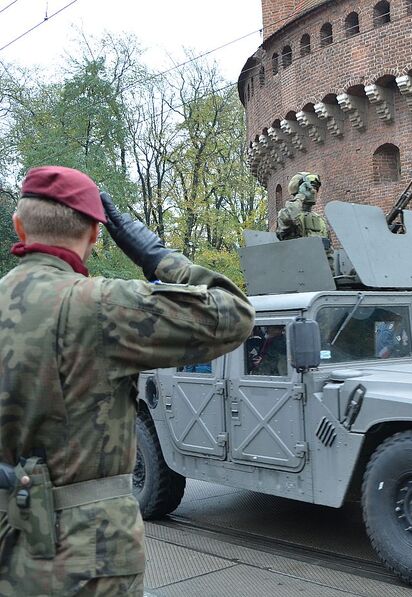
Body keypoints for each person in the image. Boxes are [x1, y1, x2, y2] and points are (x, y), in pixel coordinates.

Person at [0, 166, 255, 595]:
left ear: (19, 226)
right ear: (97, 236)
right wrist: (155, 255)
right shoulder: (102, 305)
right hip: (89, 555)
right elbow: (234, 314)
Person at [275, 172, 326, 240]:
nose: (314, 191)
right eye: (308, 188)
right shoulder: (285, 213)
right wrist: (300, 196)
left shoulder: (321, 220)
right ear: (298, 189)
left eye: (315, 188)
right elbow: (291, 217)